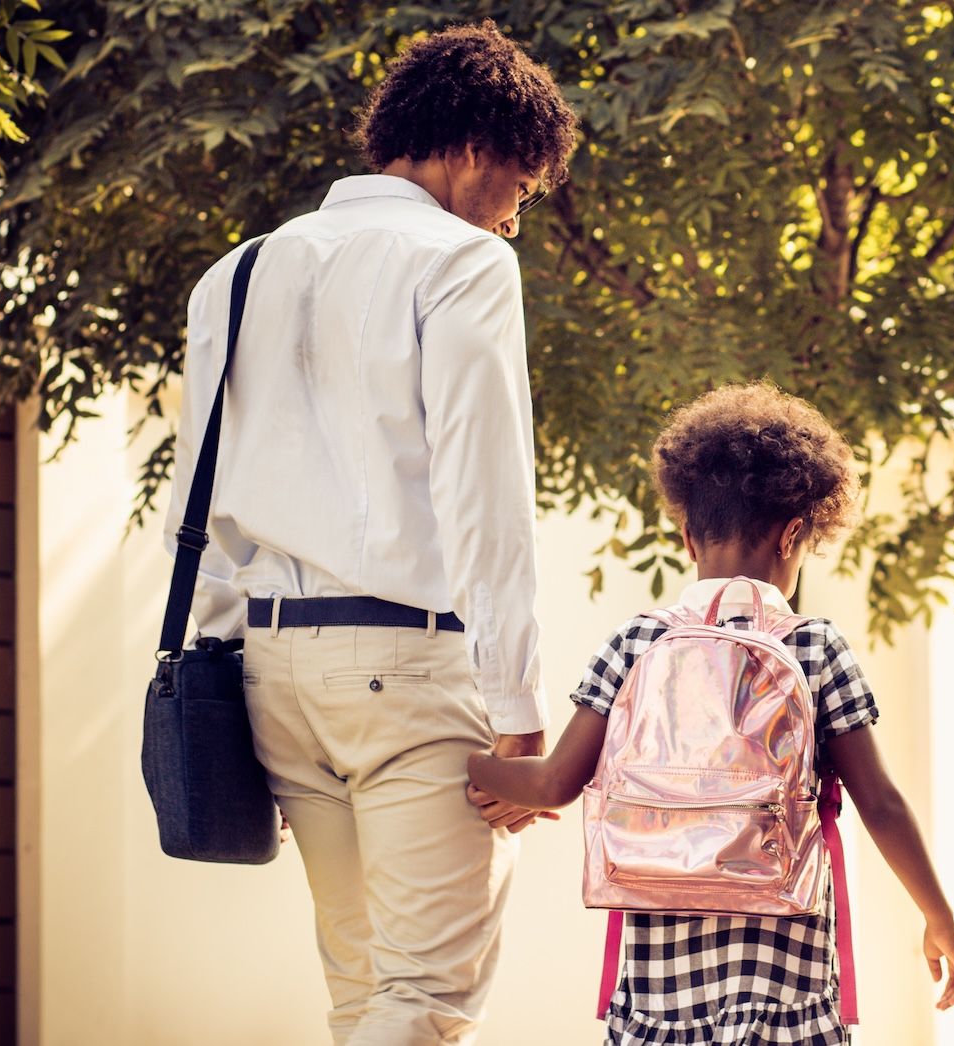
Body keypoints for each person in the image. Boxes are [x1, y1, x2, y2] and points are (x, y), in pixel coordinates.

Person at [160, 21, 577, 1045]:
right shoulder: (464, 264)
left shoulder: (239, 271)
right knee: (426, 993)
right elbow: (486, 495)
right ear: (475, 150)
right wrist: (518, 703)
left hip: (270, 671)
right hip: (409, 666)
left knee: (362, 988)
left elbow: (199, 504)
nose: (512, 220)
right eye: (518, 189)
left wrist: (224, 670)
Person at [466, 383, 954, 1045]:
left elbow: (551, 784)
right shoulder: (815, 647)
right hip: (784, 998)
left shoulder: (636, 642)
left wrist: (462, 761)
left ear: (685, 537)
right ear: (794, 533)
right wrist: (940, 921)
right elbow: (879, 802)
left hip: (658, 1005)